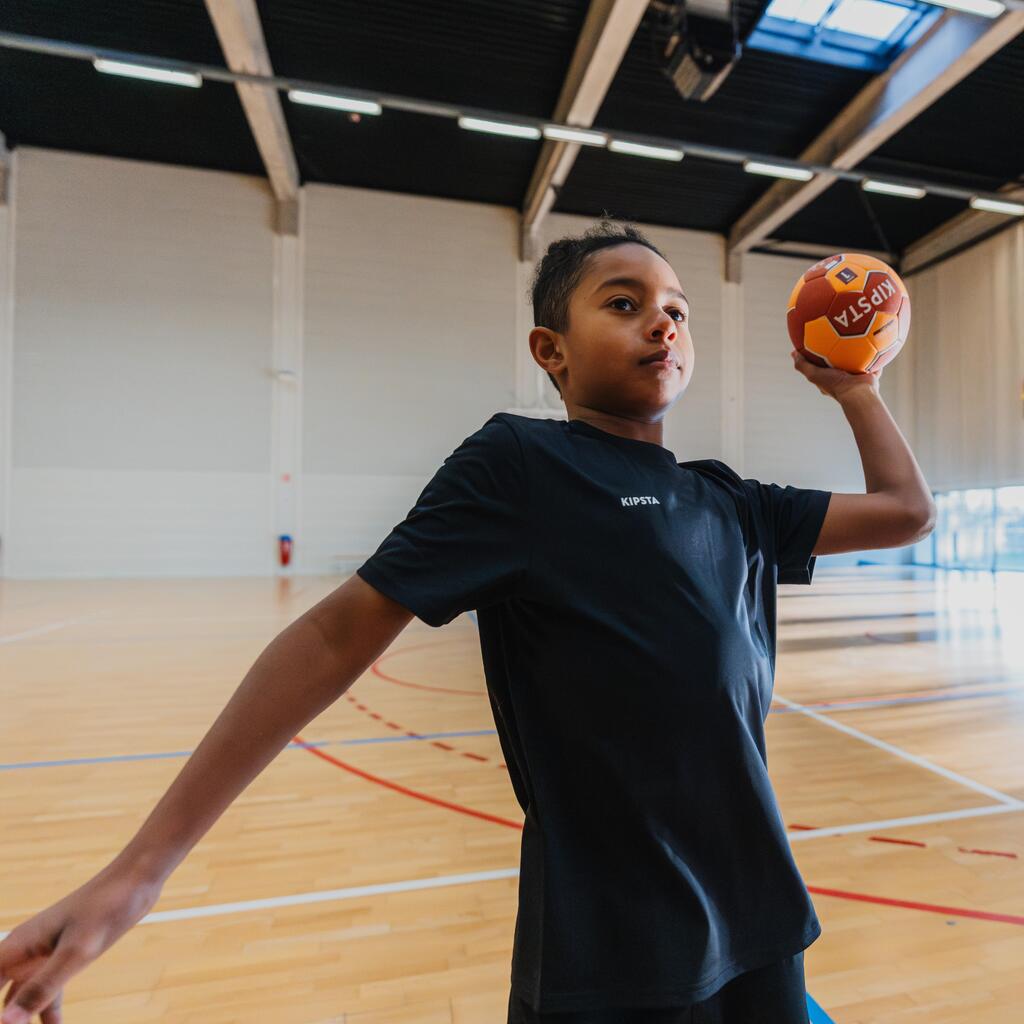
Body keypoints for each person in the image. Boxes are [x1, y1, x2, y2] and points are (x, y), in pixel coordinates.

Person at [0, 220, 936, 1024]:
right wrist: (138, 873)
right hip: (616, 951)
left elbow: (904, 511)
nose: (664, 319)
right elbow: (334, 636)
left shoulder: (730, 502)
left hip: (763, 919)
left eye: (679, 309)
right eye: (623, 302)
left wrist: (855, 385)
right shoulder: (522, 467)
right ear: (550, 351)